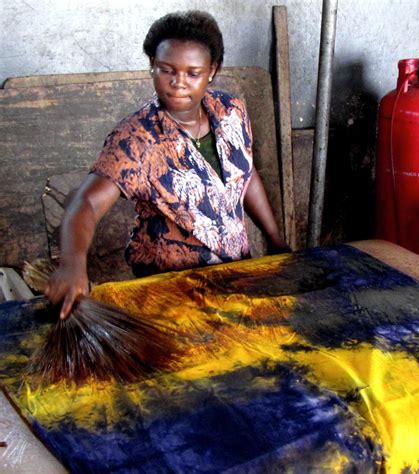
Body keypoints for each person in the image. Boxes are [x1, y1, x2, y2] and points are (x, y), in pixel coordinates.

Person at [45, 10, 288, 319]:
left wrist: (275, 239)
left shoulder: (231, 111)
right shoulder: (137, 139)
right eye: (166, 70)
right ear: (152, 66)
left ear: (212, 70)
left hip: (234, 276)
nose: (178, 83)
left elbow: (245, 174)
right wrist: (72, 264)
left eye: (193, 73)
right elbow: (86, 203)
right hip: (171, 290)